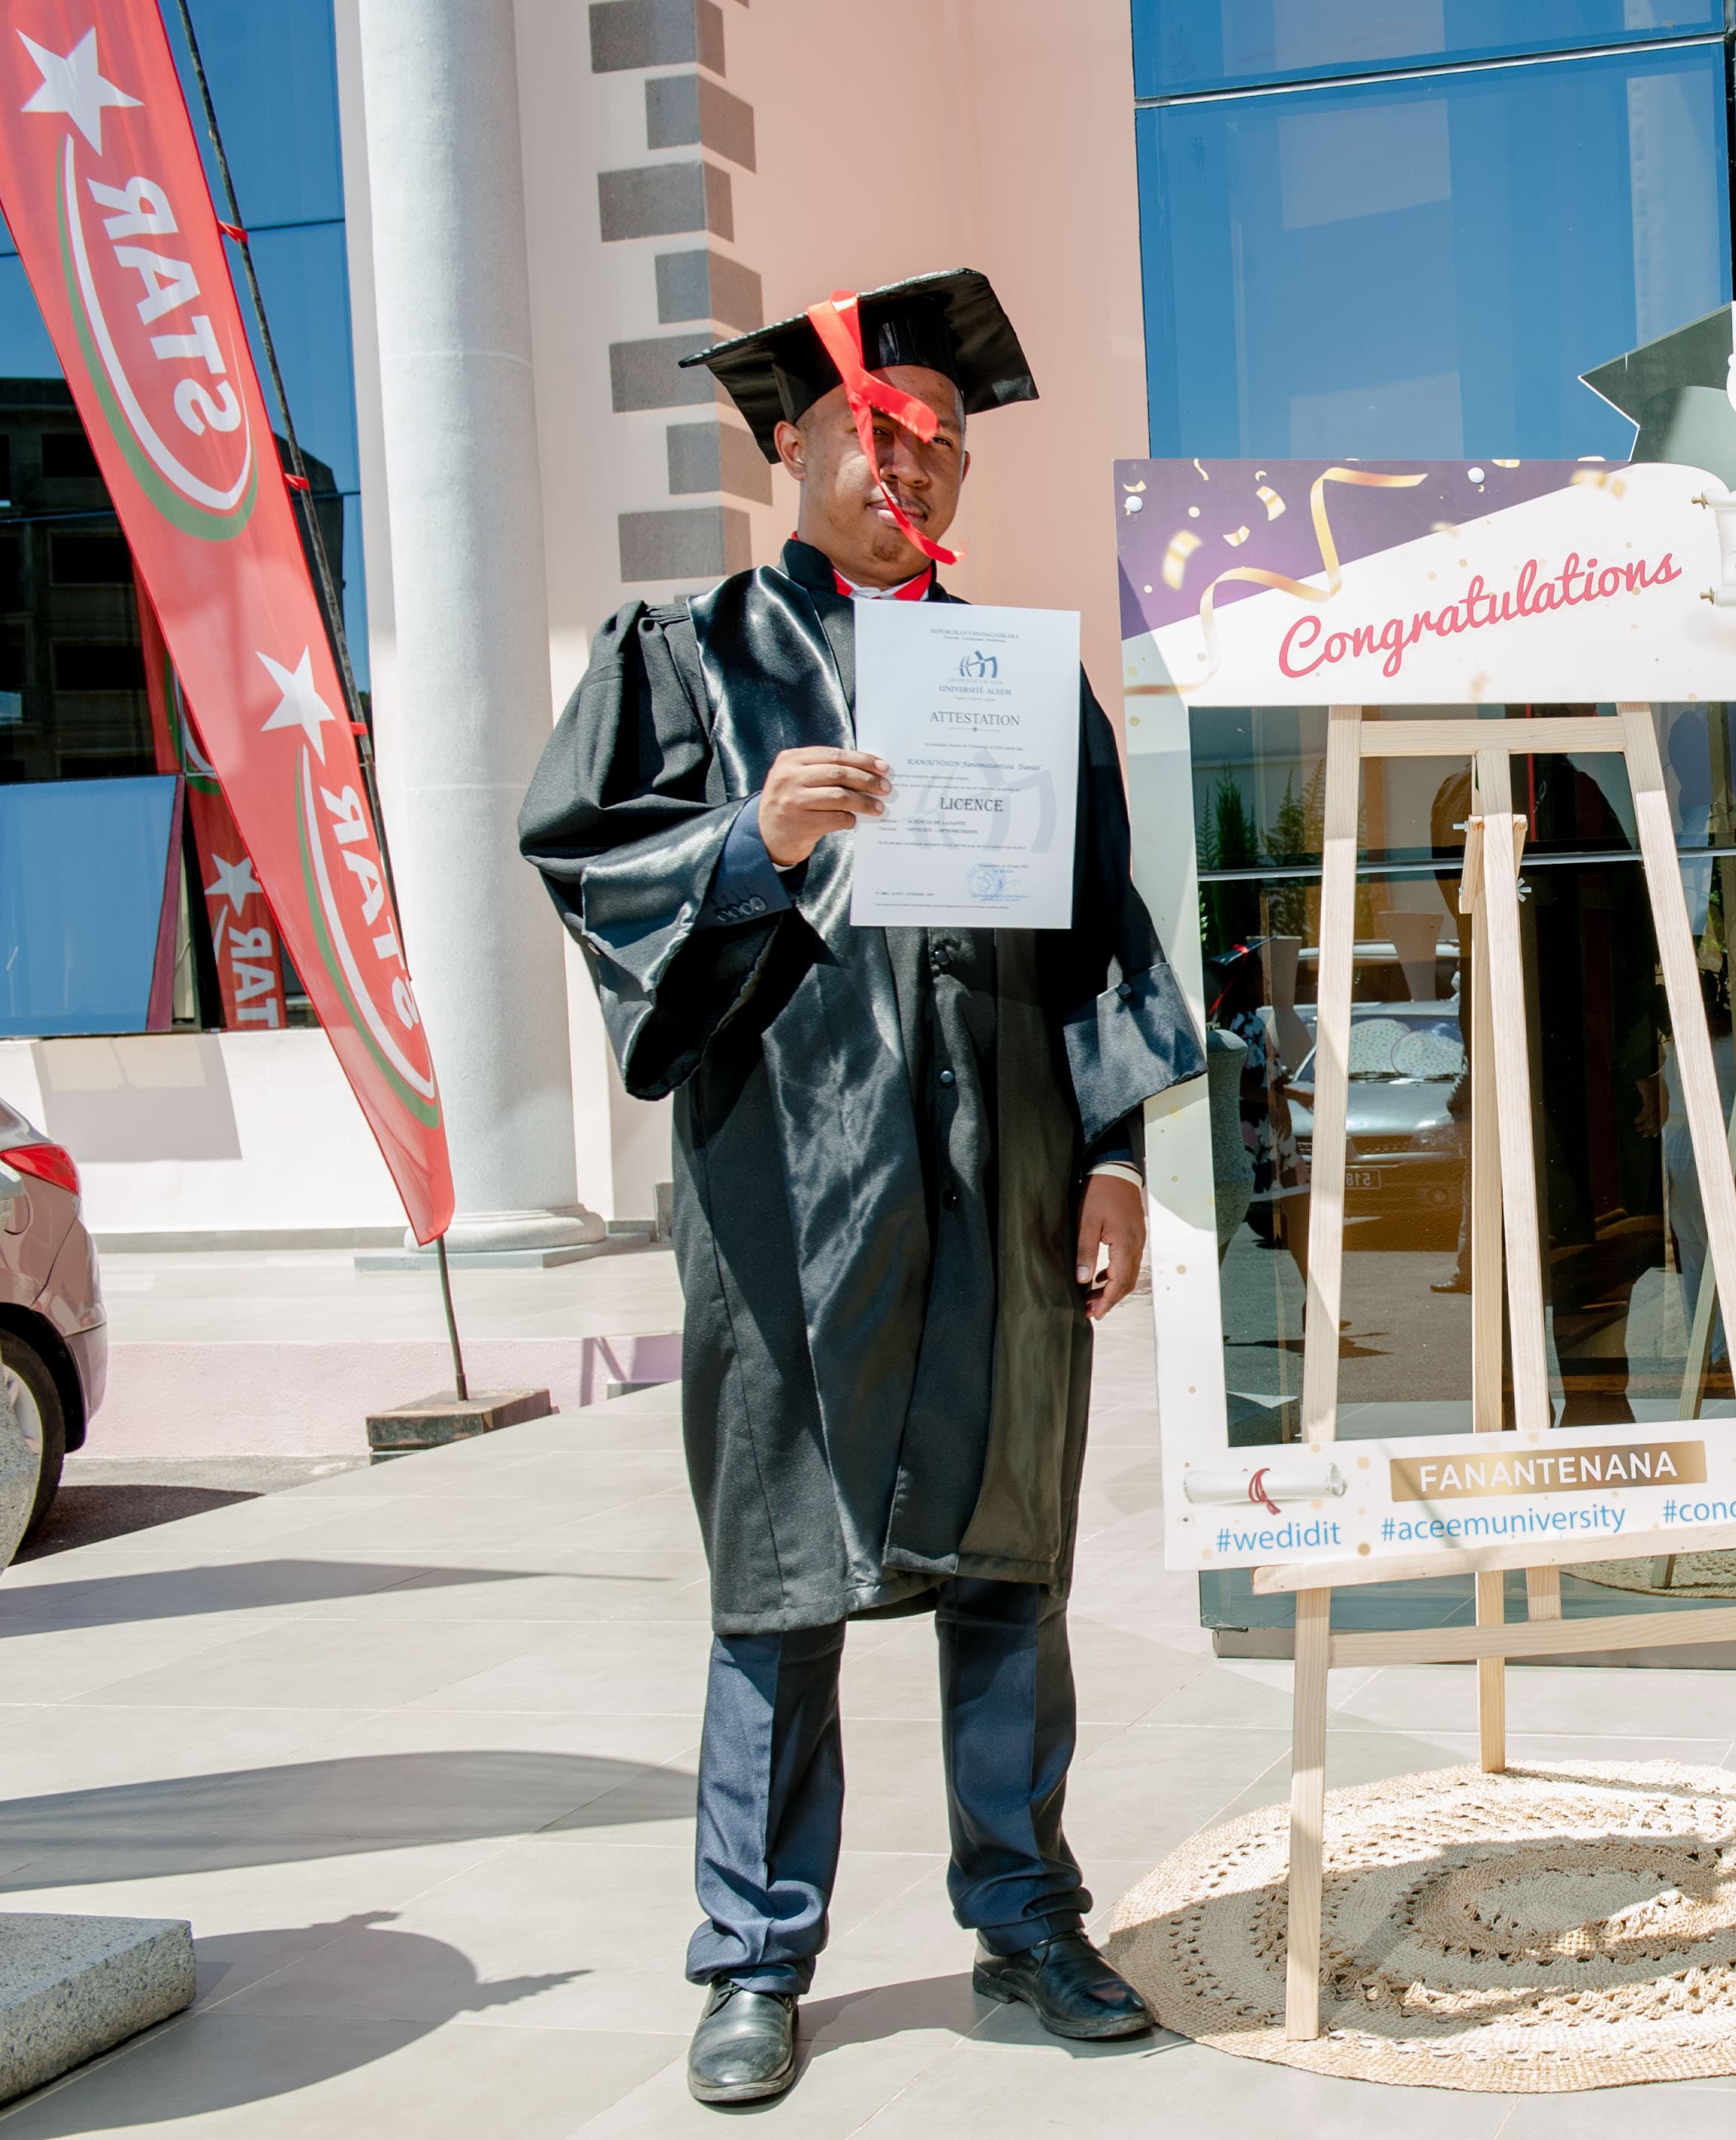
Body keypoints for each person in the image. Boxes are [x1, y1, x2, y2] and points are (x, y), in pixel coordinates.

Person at [518, 269, 1201, 2107]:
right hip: (783, 1182)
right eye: (885, 430)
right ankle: (753, 1955)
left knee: (1008, 1564)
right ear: (794, 438)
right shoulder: (680, 654)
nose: (922, 463)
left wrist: (1118, 1158)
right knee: (778, 1569)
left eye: (948, 442)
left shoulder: (1013, 675)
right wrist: (753, 838)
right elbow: (587, 869)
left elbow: (1096, 928)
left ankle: (1023, 1913)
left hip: (1003, 1170)